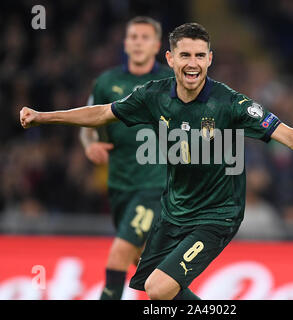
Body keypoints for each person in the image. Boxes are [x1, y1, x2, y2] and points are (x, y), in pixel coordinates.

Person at [20, 23, 293, 300]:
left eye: (199, 56)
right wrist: (44, 117)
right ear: (170, 58)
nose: (192, 64)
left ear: (209, 59)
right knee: (153, 288)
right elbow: (103, 113)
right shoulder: (153, 95)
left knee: (159, 288)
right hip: (175, 210)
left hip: (217, 214)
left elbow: (288, 134)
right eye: (185, 55)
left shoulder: (230, 103)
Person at [79, 16, 172, 300]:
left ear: (156, 45)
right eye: (133, 37)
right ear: (126, 43)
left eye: (145, 37)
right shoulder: (107, 82)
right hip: (120, 185)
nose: (138, 42)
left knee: (119, 252)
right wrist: (89, 144)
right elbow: (88, 121)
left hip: (156, 185)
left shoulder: (169, 83)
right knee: (147, 267)